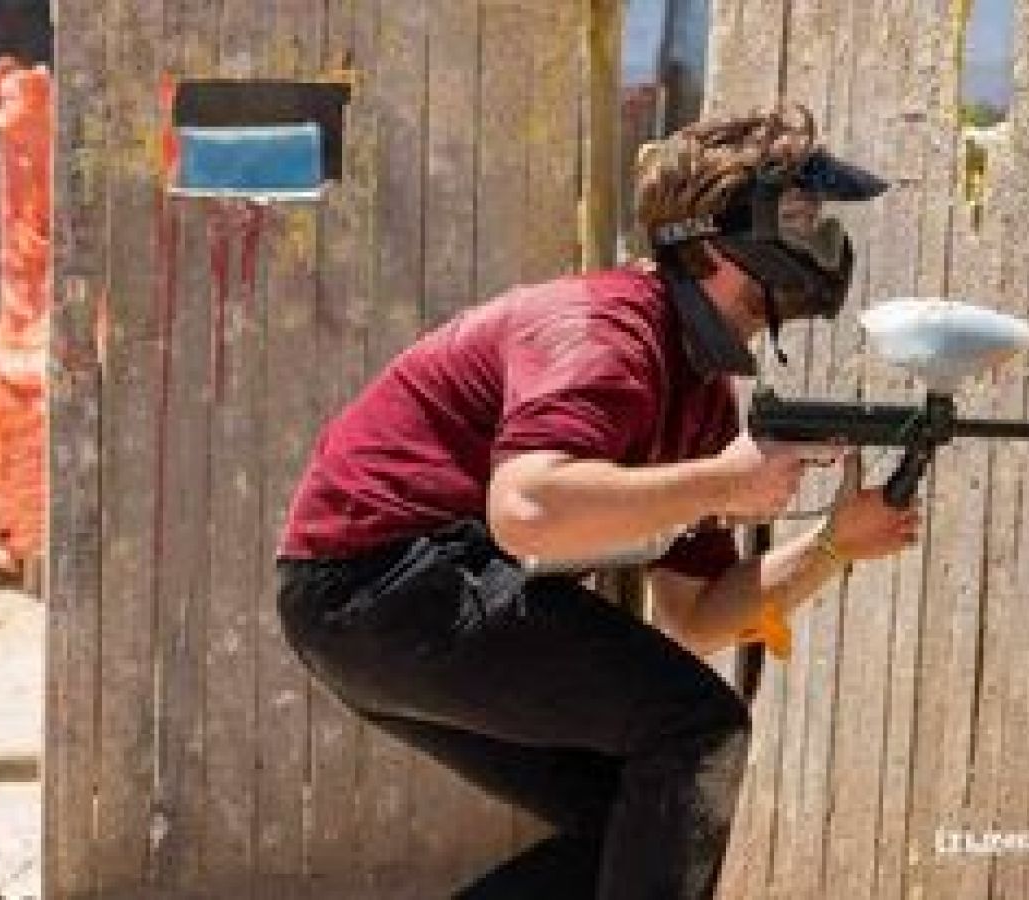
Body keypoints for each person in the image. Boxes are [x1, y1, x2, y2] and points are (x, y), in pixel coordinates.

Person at [275, 105, 921, 900]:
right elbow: (528, 507)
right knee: (696, 727)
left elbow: (697, 616)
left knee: (642, 809)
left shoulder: (700, 395)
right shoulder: (604, 328)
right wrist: (723, 482)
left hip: (383, 604)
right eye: (793, 219)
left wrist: (833, 544)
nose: (816, 243)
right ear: (717, 238)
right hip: (376, 582)